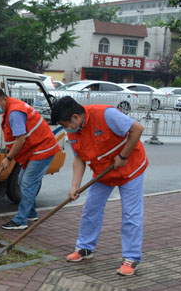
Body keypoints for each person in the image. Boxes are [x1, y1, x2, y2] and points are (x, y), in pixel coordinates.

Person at [50, 96, 148, 276]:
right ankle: (84, 248)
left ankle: (131, 257)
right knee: (91, 209)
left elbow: (137, 129)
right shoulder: (73, 131)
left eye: (65, 124)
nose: (65, 129)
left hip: (131, 169)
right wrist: (75, 186)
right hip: (103, 173)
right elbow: (79, 159)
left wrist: (123, 156)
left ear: (75, 117)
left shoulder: (105, 114)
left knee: (130, 214)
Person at [0, 86, 60, 230]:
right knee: (21, 181)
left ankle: (21, 220)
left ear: (4, 99)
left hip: (42, 149)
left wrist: (9, 158)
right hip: (33, 151)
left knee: (27, 183)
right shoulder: (10, 108)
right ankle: (31, 213)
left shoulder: (15, 112)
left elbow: (20, 140)